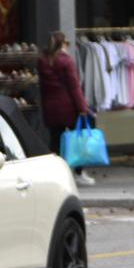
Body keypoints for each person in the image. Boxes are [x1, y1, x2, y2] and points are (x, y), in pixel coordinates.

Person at [39, 31, 96, 186]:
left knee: (55, 142)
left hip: (51, 108)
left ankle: (54, 173)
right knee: (77, 140)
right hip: (68, 108)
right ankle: (78, 173)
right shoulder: (66, 61)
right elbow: (74, 87)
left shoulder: (43, 61)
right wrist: (83, 108)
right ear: (63, 44)